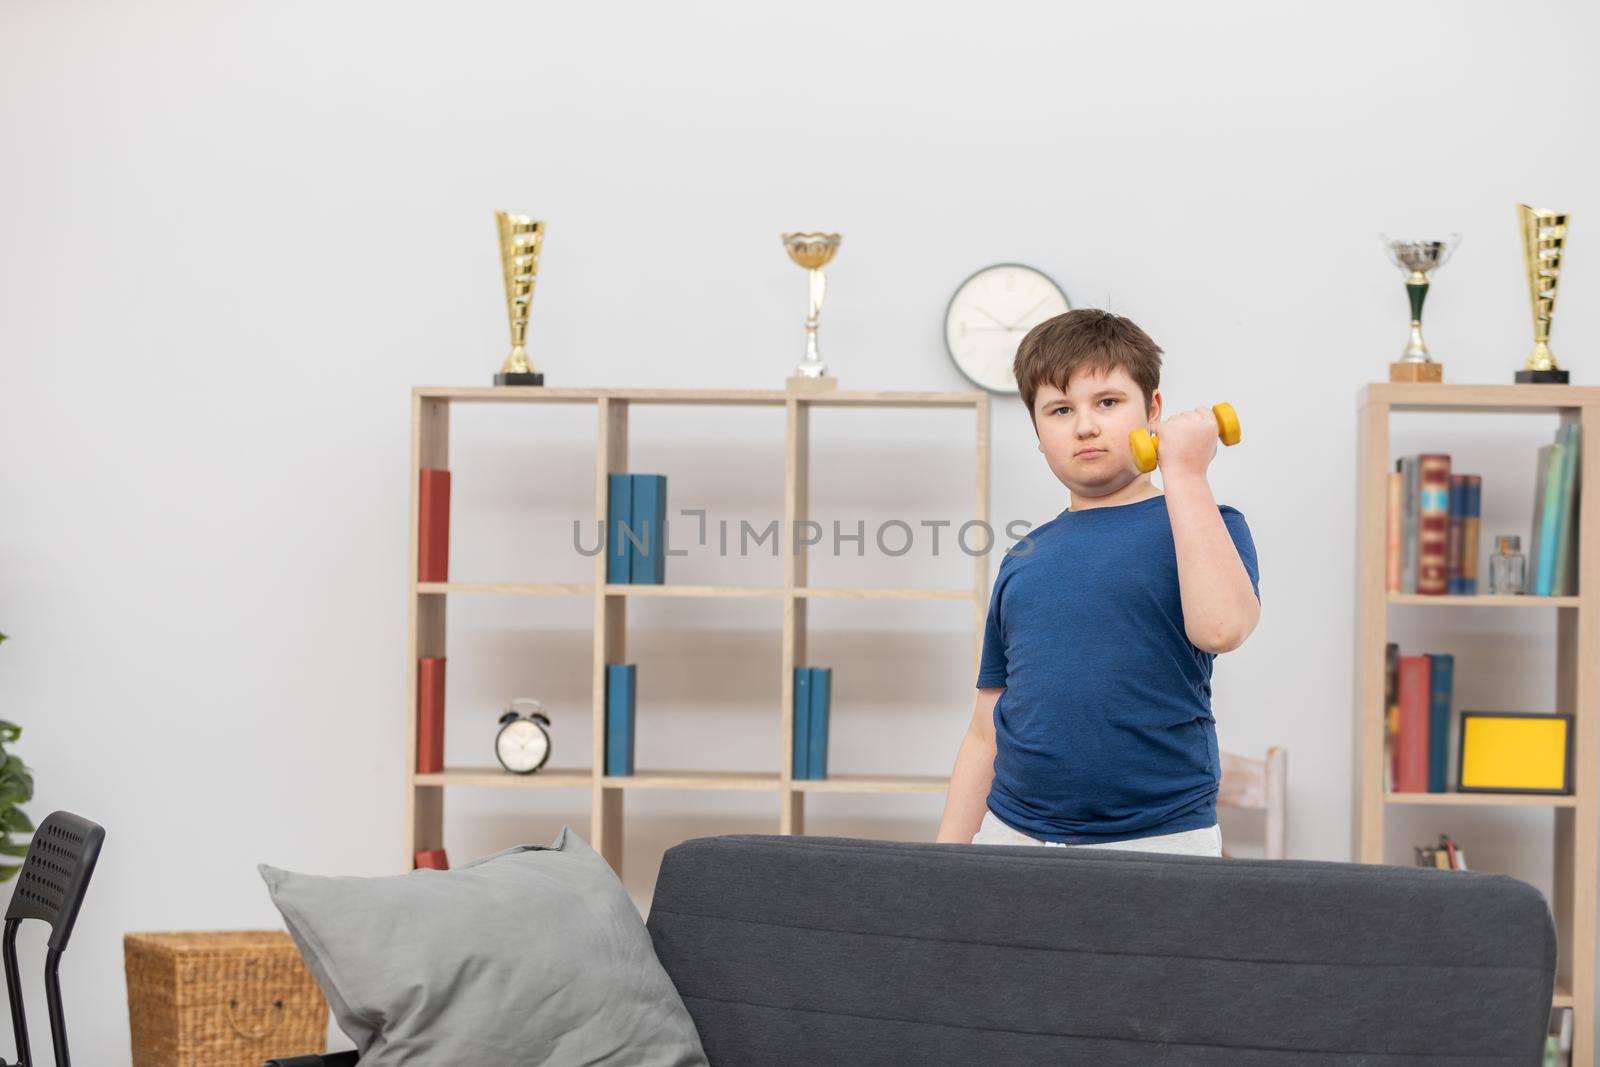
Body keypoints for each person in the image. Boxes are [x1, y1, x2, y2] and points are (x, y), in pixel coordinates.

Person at [934, 308, 1260, 857]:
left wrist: (1184, 473)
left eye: (1107, 403)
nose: (1085, 425)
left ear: (1153, 411)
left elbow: (1222, 628)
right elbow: (986, 729)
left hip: (1163, 838)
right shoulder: (1024, 557)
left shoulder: (1206, 522)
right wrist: (943, 856)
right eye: (1060, 410)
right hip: (1012, 833)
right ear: (1039, 434)